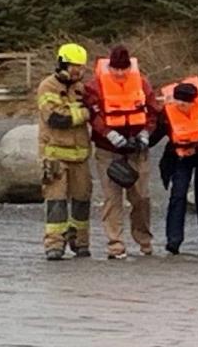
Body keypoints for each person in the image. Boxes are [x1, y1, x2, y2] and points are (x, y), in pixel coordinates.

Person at [84, 45, 158, 259]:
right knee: (112, 198)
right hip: (108, 150)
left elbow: (152, 112)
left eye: (123, 69)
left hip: (137, 148)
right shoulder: (96, 85)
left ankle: (144, 241)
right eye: (115, 69)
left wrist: (145, 133)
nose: (119, 73)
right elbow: (92, 113)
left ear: (129, 68)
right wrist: (109, 134)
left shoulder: (142, 83)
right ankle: (115, 244)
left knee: (141, 197)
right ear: (109, 66)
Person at [38, 43, 93, 261]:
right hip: (55, 156)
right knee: (56, 202)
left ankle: (80, 242)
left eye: (81, 68)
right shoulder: (47, 87)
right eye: (74, 67)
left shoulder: (81, 88)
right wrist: (85, 113)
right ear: (62, 64)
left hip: (80, 156)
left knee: (82, 200)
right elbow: (56, 119)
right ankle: (54, 244)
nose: (78, 72)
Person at [156, 79, 198, 255]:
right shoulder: (167, 113)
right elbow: (155, 135)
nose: (181, 105)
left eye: (185, 103)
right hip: (179, 157)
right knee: (178, 195)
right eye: (178, 102)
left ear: (194, 101)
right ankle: (174, 240)